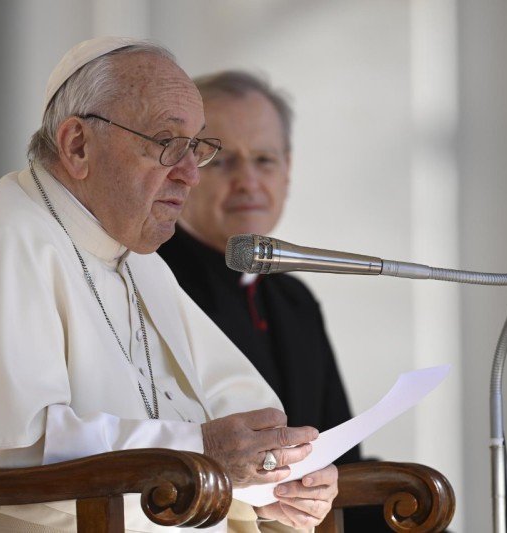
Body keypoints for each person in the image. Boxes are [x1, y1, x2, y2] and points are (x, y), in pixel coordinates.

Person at [0, 38, 337, 533]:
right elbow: (2, 447)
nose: (191, 174)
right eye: (168, 143)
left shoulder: (135, 256)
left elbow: (234, 414)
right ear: (77, 145)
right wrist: (201, 455)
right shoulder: (2, 240)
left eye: (196, 147)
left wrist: (276, 481)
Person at [156, 70, 384, 531]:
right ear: (182, 168)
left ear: (288, 169)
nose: (248, 182)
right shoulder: (155, 280)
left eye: (264, 159)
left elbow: (344, 457)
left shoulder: (292, 297)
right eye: (221, 161)